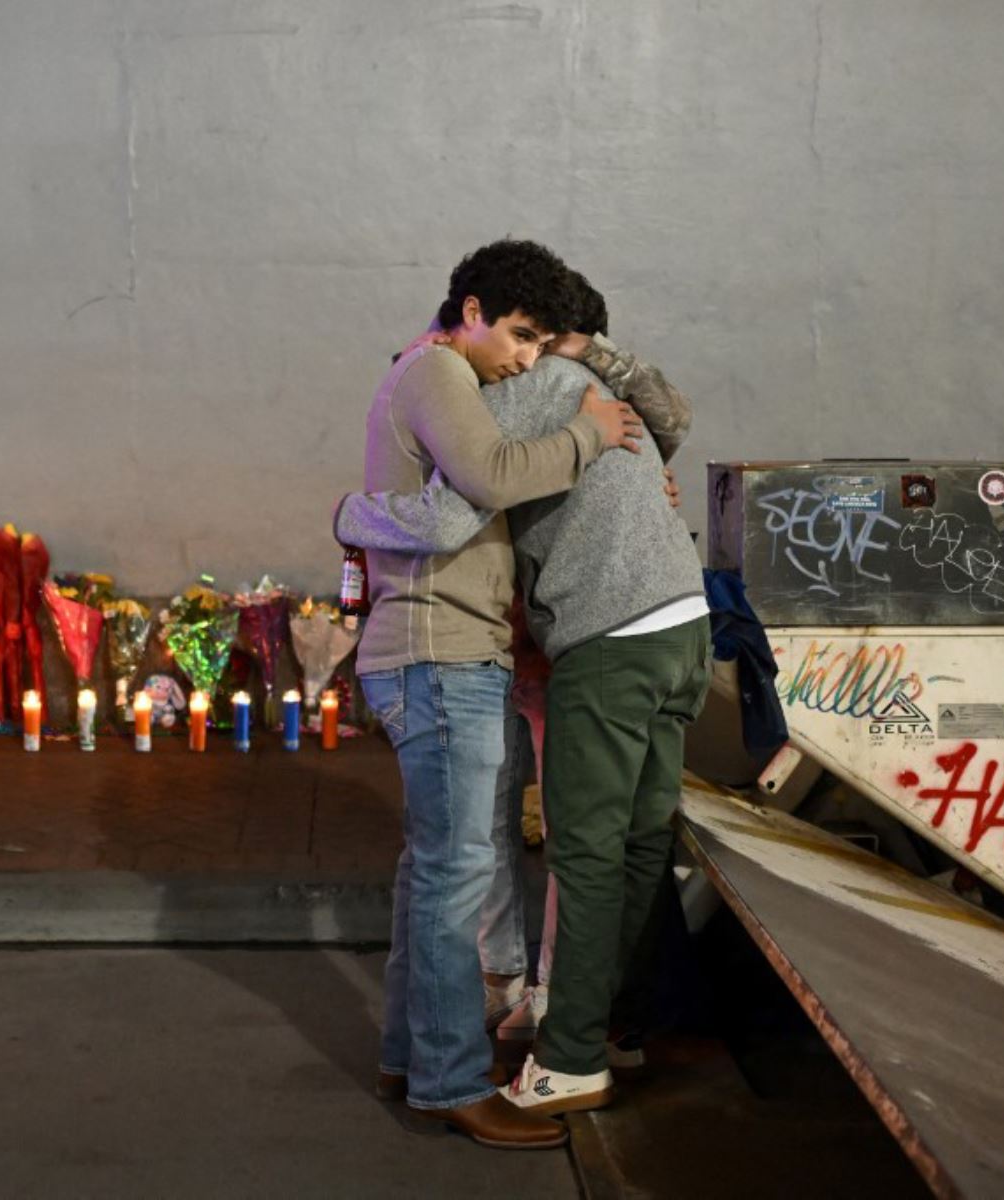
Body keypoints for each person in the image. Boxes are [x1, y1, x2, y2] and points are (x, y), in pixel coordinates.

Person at [336, 272, 708, 1118]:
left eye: (541, 339)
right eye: (524, 338)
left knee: (576, 849)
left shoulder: (532, 395)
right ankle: (615, 1025)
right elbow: (675, 421)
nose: (527, 356)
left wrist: (350, 513)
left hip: (610, 632)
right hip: (684, 621)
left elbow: (455, 507)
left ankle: (571, 1056)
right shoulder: (612, 397)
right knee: (641, 840)